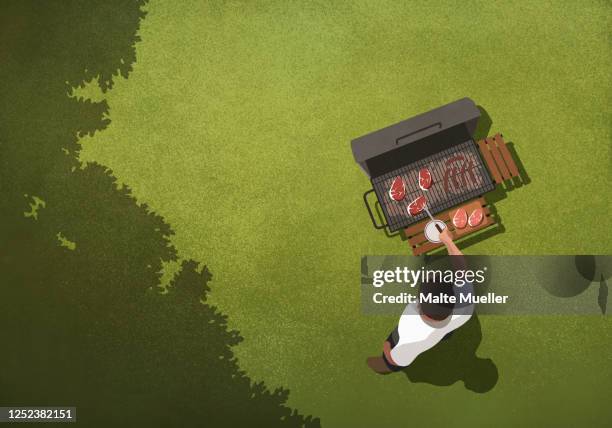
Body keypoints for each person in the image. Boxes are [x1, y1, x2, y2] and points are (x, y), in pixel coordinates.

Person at [366, 227, 475, 374]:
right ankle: (445, 335)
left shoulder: (410, 336)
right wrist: (447, 241)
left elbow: (396, 361)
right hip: (445, 327)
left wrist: (386, 348)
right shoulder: (465, 309)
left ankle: (381, 367)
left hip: (404, 340)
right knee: (445, 333)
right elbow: (461, 269)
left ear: (421, 310)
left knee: (389, 356)